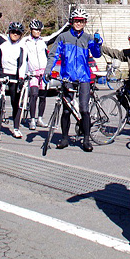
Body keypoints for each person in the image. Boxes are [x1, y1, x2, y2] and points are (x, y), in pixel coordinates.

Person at [44, 8, 102, 152]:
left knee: (84, 109)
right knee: (66, 110)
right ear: (72, 21)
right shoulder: (63, 37)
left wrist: (97, 43)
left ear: (85, 23)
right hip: (67, 77)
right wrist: (48, 71)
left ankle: (87, 140)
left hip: (83, 77)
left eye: (81, 21)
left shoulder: (87, 38)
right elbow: (53, 55)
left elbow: (96, 54)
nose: (78, 23)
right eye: (76, 21)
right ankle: (64, 138)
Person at [22, 19, 69, 130]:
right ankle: (32, 119)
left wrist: (67, 24)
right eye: (35, 30)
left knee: (42, 96)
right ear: (31, 30)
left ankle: (40, 118)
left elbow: (56, 34)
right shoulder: (25, 41)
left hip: (43, 72)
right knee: (33, 95)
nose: (37, 32)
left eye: (39, 30)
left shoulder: (44, 40)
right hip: (33, 73)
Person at [0, 18, 28, 139]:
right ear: (9, 32)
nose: (15, 34)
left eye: (18, 33)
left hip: (14, 75)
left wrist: (21, 77)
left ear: (20, 35)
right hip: (2, 72)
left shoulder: (22, 47)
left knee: (15, 103)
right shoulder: (3, 42)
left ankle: (15, 128)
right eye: (13, 32)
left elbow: (22, 64)